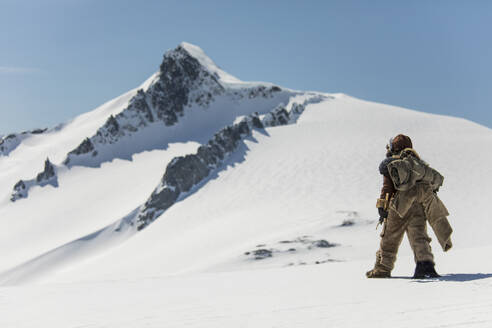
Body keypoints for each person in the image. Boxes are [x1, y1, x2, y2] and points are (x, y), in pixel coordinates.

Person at [366, 134, 453, 279]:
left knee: (389, 237)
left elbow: (387, 188)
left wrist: (382, 207)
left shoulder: (393, 163)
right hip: (419, 205)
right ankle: (425, 266)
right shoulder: (419, 165)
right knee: (419, 236)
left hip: (399, 206)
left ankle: (382, 269)